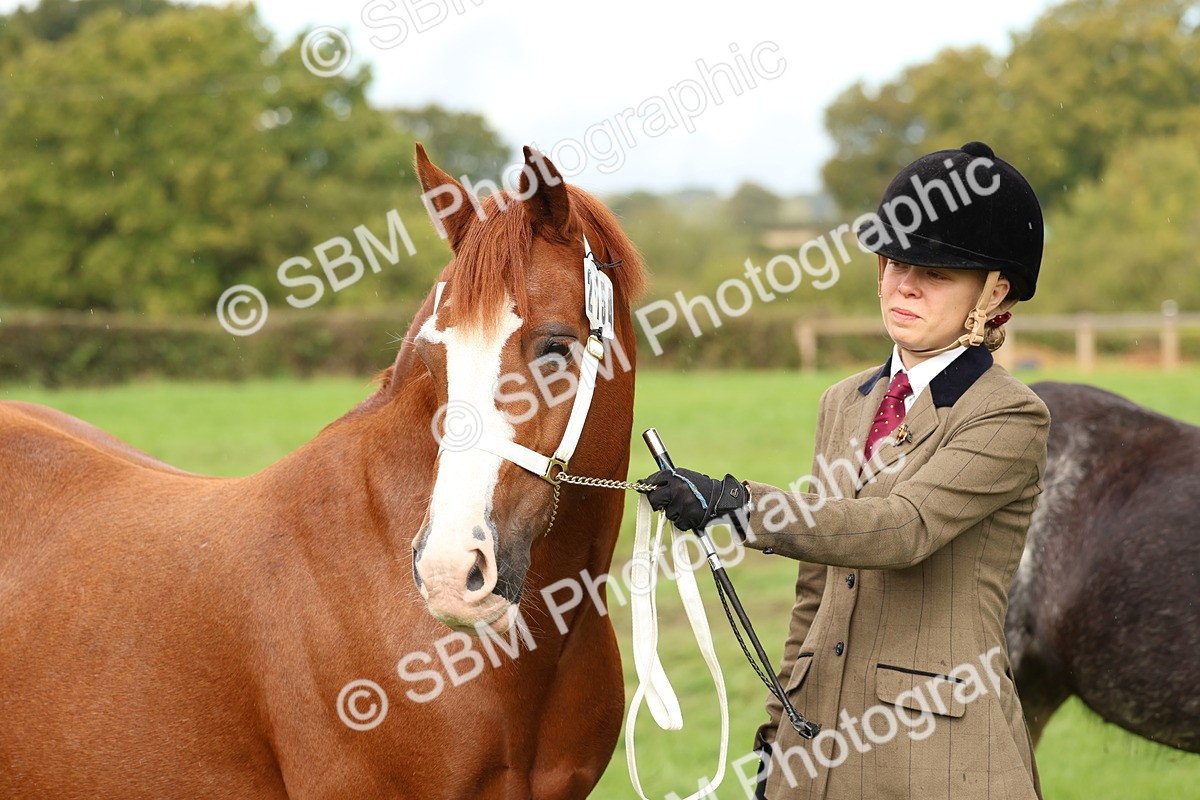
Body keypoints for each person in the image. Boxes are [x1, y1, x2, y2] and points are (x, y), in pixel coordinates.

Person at [641, 141, 1049, 799]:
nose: (903, 284)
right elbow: (815, 592)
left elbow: (900, 530)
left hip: (940, 756)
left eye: (936, 273)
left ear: (995, 290)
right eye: (893, 262)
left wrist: (737, 505)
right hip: (817, 746)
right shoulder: (845, 401)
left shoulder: (1010, 415)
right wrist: (779, 735)